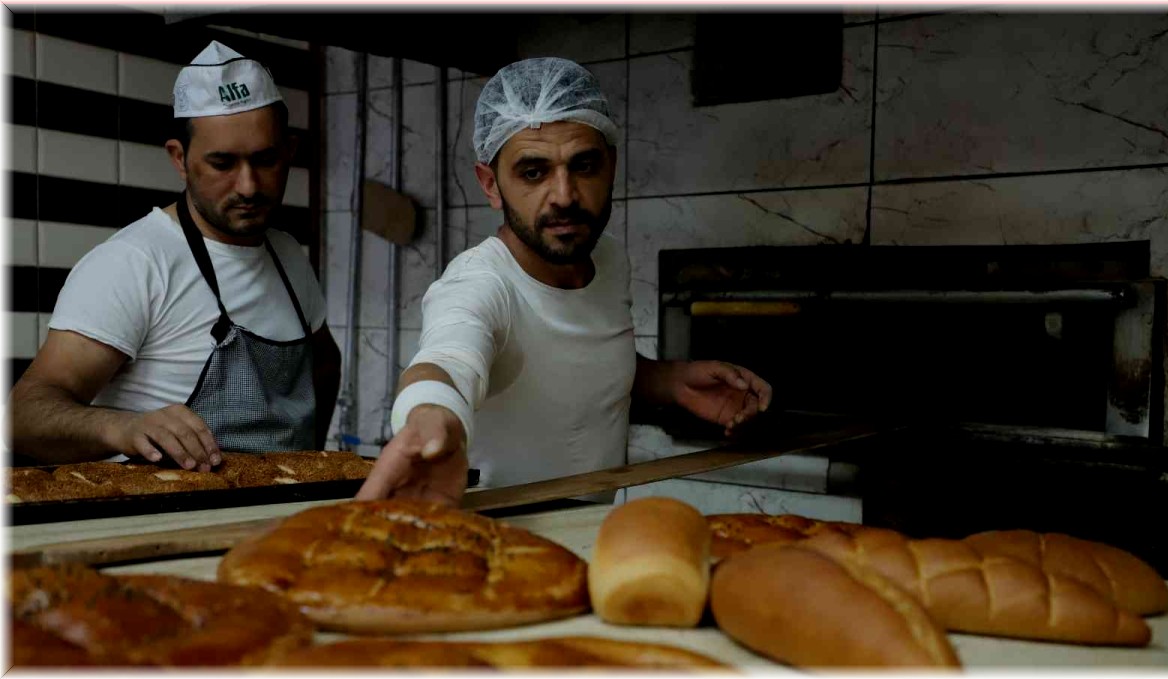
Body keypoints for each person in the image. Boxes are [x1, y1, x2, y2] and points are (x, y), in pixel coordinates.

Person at [356, 57, 772, 504]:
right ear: (490, 184)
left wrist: (669, 380)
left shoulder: (607, 258)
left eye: (584, 165)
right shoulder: (480, 283)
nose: (565, 196)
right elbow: (449, 358)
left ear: (610, 165)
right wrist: (429, 414)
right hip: (498, 549)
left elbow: (571, 360)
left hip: (585, 537)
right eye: (533, 172)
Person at [8, 41, 340, 471]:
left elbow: (325, 365)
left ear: (290, 153)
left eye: (265, 160)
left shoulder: (287, 254)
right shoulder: (134, 263)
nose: (248, 186)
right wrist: (122, 428)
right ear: (180, 159)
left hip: (283, 519)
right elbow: (23, 416)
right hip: (172, 525)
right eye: (222, 164)